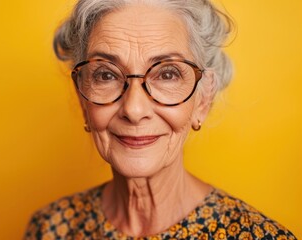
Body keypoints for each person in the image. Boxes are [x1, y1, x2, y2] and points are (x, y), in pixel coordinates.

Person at [24, 0, 296, 239]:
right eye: (106, 75)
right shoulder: (50, 228)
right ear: (83, 98)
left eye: (167, 74)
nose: (133, 109)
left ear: (203, 99)